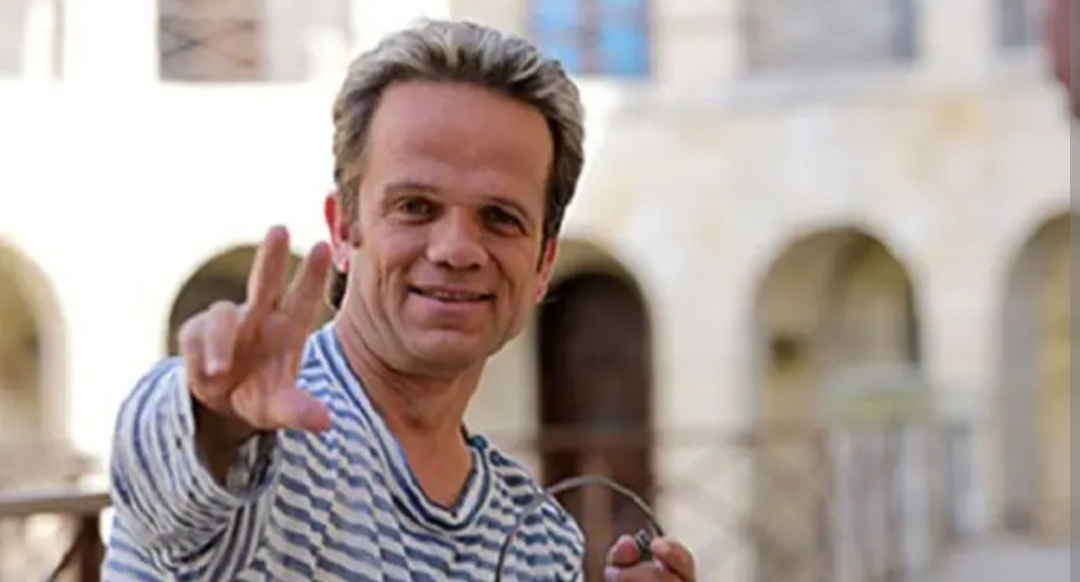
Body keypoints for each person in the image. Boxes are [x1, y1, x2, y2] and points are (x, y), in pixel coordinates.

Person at [102, 19, 696, 582]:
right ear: (343, 230)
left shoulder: (541, 541)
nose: (456, 248)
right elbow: (164, 476)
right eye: (415, 207)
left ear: (542, 264)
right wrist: (215, 418)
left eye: (500, 218)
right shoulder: (262, 439)